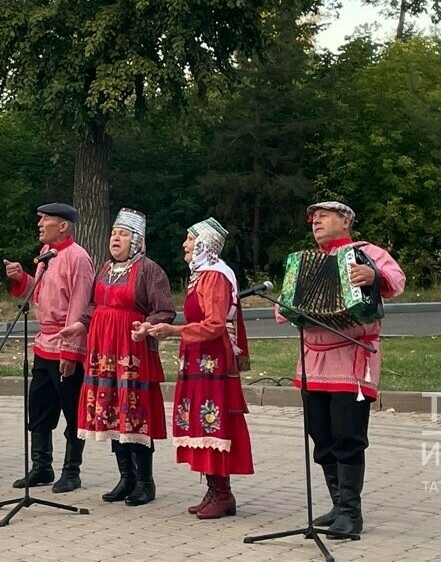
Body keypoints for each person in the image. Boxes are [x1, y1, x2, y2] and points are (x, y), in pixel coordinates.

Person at [280, 201, 405, 539]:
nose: (315, 222)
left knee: (347, 434)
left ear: (346, 220)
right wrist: (288, 305)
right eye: (313, 218)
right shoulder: (301, 262)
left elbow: (396, 280)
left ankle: (352, 513)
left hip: (352, 357)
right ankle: (338, 503)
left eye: (323, 216)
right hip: (313, 359)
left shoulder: (366, 252)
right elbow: (287, 309)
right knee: (320, 433)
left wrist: (374, 275)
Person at [63, 207, 174, 506]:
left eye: (123, 234)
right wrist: (77, 326)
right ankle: (125, 478)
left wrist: (147, 326)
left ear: (136, 240)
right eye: (114, 233)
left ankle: (145, 482)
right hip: (102, 351)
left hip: (131, 350)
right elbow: (90, 307)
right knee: (112, 412)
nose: (116, 238)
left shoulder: (150, 270)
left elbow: (165, 309)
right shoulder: (104, 268)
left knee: (134, 413)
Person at [143, 218, 253, 520]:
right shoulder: (203, 275)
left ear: (205, 244)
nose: (184, 245)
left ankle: (223, 493)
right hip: (199, 357)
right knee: (201, 421)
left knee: (211, 420)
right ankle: (214, 488)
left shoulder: (215, 276)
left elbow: (215, 324)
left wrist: (174, 331)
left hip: (212, 359)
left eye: (190, 240)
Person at [3, 202, 95, 492]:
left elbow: (78, 306)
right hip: (43, 345)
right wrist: (22, 279)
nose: (39, 225)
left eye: (46, 221)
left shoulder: (77, 259)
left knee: (71, 411)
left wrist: (70, 351)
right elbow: (40, 293)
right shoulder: (47, 254)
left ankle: (72, 471)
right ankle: (41, 467)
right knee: (39, 409)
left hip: (65, 346)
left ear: (64, 226)